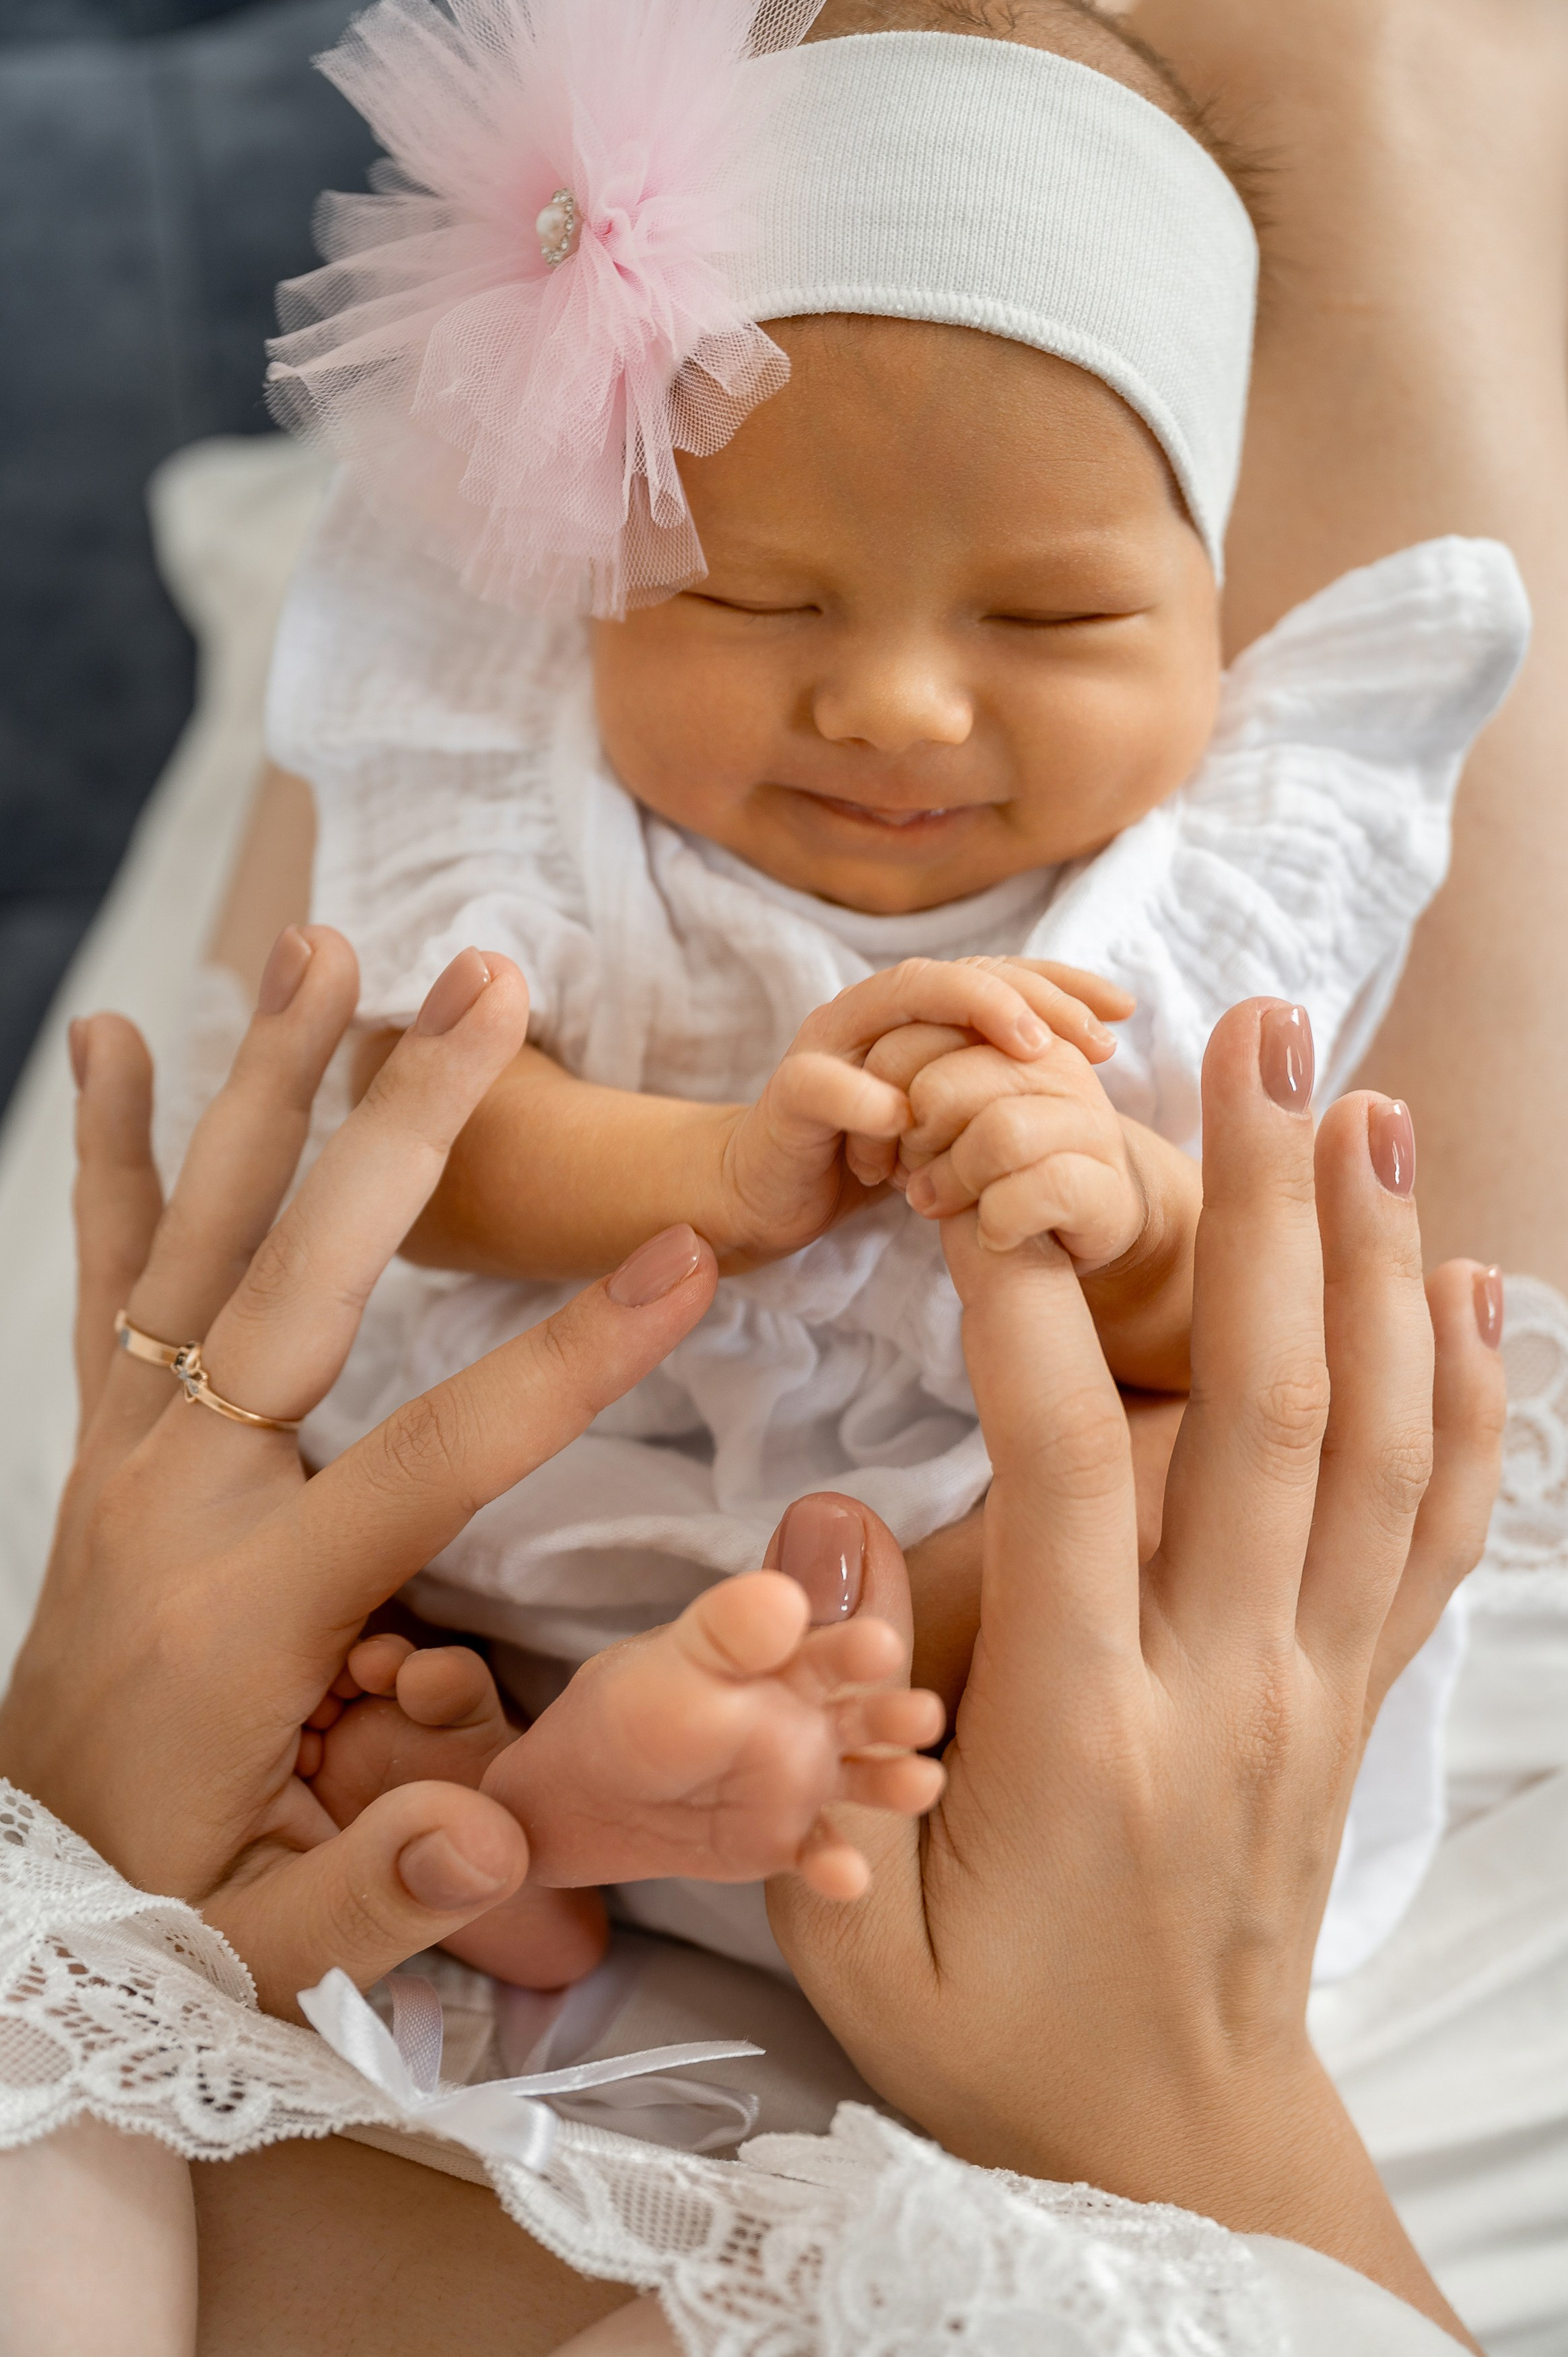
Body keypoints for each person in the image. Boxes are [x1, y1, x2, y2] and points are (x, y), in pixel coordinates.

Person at [241, 0, 1529, 1995]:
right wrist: (717, 1167)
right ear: (598, 576)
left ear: (1207, 607)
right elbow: (438, 1162)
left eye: (1052, 614)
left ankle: (689, 1741)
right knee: (275, 1481)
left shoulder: (1207, 887)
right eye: (755, 600)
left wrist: (1130, 1216)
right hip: (547, 1510)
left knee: (1266, 1448)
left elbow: (1232, 1319)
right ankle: (499, 1780)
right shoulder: (537, 812)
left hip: (974, 1601)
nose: (899, 707)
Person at [0, 943, 1501, 2355]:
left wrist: (65, 1870)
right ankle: (615, 1781)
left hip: (649, 1830)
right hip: (1040, 1914)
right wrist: (1201, 2118)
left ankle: (571, 1789)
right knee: (1238, 1462)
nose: (896, 760)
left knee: (1192, 1473)